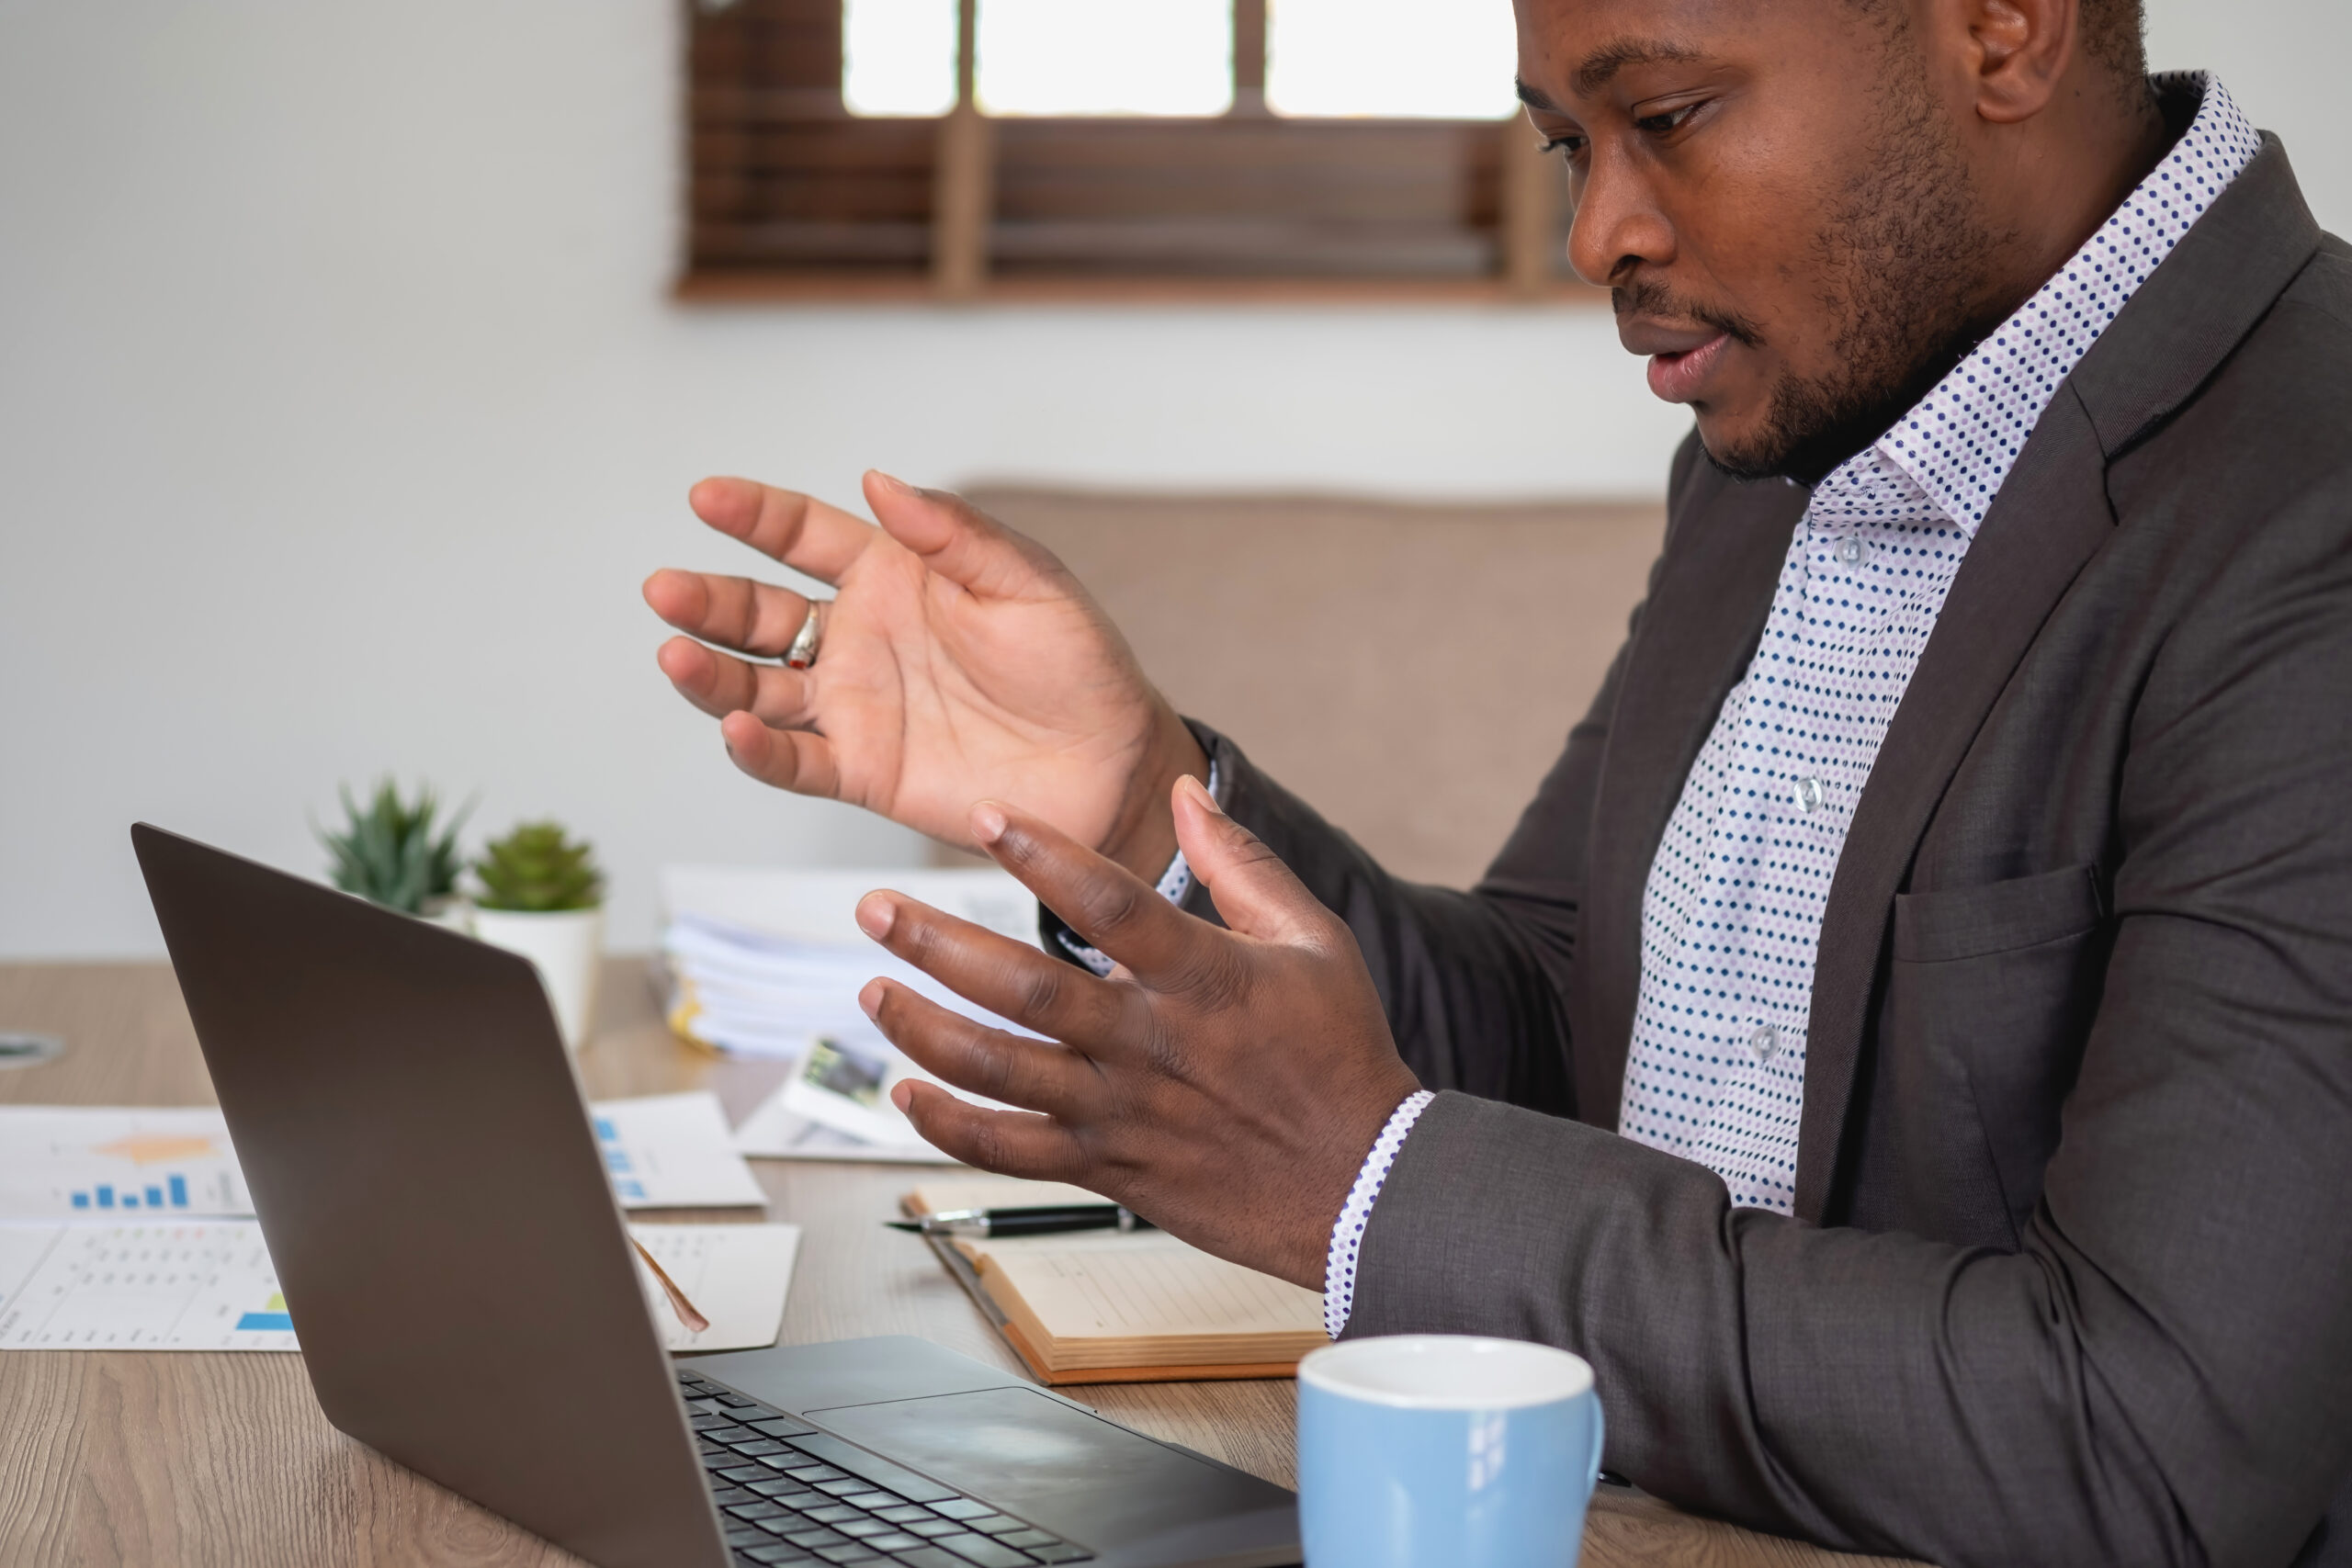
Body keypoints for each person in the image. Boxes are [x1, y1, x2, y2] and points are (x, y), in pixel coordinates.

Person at [642, 0, 2352, 1561]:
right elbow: (1554, 1016)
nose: (1596, 231)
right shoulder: (1802, 425)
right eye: (1564, 143)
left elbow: (2152, 1437)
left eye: (1668, 114)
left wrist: (1366, 1181)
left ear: (2001, 30)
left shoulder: (2306, 509)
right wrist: (1133, 796)